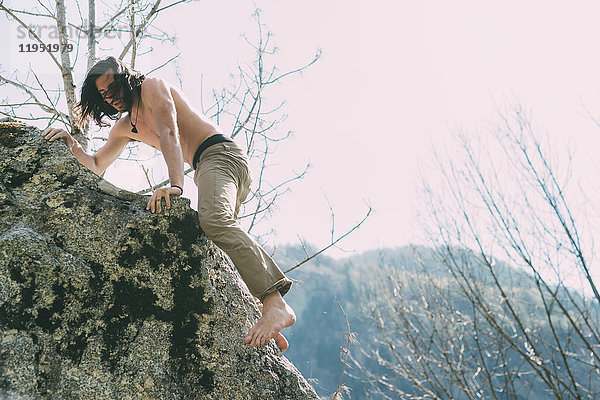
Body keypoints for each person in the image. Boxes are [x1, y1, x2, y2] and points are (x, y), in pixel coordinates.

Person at [42, 56, 295, 352]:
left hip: (220, 154)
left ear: (126, 77)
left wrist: (176, 186)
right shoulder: (125, 127)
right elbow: (97, 164)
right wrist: (71, 144)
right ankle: (267, 324)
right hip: (205, 168)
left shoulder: (152, 87)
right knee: (217, 242)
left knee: (213, 221)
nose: (110, 96)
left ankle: (276, 303)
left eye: (112, 87)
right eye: (103, 94)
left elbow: (169, 131)